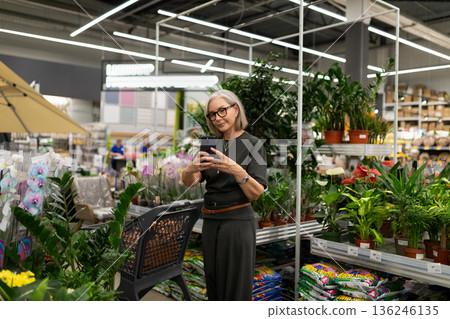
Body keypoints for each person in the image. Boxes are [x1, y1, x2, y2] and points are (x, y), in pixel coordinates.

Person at [181, 89, 266, 301]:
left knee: (235, 290)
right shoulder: (211, 145)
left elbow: (256, 193)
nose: (217, 118)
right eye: (212, 114)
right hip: (210, 222)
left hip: (236, 224)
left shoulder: (253, 144)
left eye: (222, 111)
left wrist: (235, 169)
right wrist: (191, 168)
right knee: (214, 285)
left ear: (235, 110)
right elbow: (190, 182)